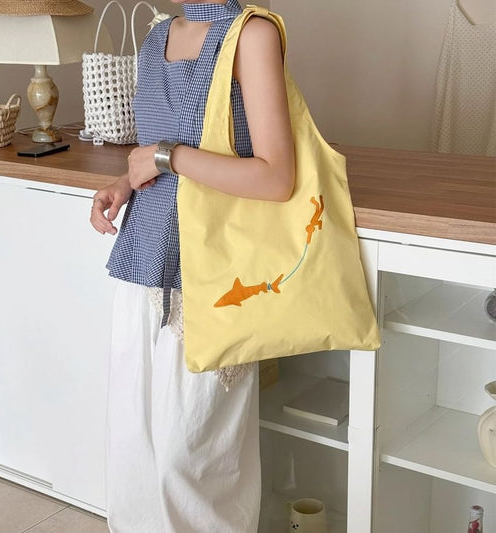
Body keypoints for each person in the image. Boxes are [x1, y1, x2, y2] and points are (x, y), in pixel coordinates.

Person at [90, 1, 294, 531]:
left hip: (214, 270)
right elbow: (152, 151)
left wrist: (166, 156)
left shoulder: (251, 33)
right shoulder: (156, 38)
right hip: (145, 257)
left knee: (191, 457)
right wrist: (124, 182)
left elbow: (276, 178)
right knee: (134, 443)